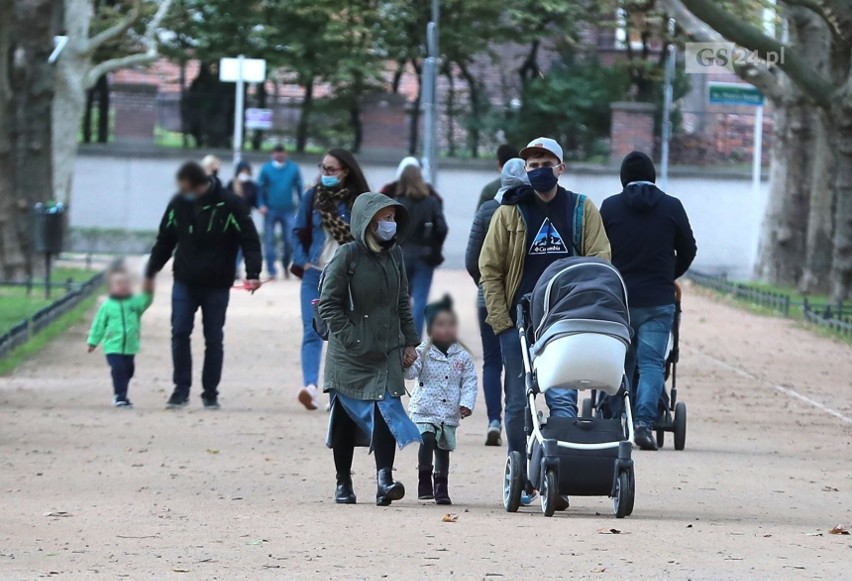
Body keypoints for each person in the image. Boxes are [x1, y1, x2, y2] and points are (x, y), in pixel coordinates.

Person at [479, 137, 611, 462]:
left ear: (561, 168)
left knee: (563, 397)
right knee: (518, 401)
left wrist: (585, 307)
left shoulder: (581, 209)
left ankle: (560, 469)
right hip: (519, 324)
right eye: (533, 166)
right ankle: (521, 470)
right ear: (525, 170)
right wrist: (502, 322)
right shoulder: (509, 212)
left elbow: (600, 260)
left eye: (546, 164)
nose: (540, 171)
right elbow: (489, 267)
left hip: (564, 322)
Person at [317, 192, 421, 507]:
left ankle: (384, 479)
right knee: (345, 420)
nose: (390, 225)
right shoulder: (347, 256)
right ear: (367, 222)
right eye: (384, 219)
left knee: (388, 411)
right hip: (349, 354)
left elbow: (403, 300)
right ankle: (343, 482)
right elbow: (328, 304)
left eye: (392, 218)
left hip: (386, 349)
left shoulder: (395, 256)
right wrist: (351, 338)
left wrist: (410, 340)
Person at [600, 151, 697, 450]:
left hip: (620, 300)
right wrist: (669, 274)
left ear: (623, 178)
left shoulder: (610, 207)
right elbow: (689, 249)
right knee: (653, 363)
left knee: (621, 361)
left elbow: (599, 251)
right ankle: (643, 423)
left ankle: (618, 418)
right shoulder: (672, 207)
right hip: (658, 298)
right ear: (653, 175)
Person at [145, 161, 262, 409]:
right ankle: (181, 388)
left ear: (202, 184)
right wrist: (151, 269)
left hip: (217, 282)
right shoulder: (178, 203)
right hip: (185, 280)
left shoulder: (230, 204)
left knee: (213, 338)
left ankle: (210, 392)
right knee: (179, 332)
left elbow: (249, 239)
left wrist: (253, 272)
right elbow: (165, 240)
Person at [291, 148, 370, 410]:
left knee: (343, 334)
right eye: (322, 168)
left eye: (330, 169)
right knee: (311, 329)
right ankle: (310, 387)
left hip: (347, 275)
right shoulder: (312, 197)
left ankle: (339, 391)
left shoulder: (360, 201)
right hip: (315, 272)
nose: (324, 174)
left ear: (345, 171)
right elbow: (297, 230)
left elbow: (369, 238)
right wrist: (302, 259)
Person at [465, 157, 529, 446]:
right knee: (519, 362)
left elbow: (471, 259)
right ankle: (522, 418)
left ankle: (494, 420)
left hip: (487, 299)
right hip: (522, 300)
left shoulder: (487, 210)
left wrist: (485, 285)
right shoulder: (530, 211)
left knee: (492, 361)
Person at [405, 295, 477, 505]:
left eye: (451, 324)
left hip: (448, 412)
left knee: (444, 449)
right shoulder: (422, 352)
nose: (447, 329)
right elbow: (411, 374)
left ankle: (441, 485)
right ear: (430, 329)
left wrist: (467, 403)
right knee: (427, 439)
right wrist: (408, 363)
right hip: (425, 409)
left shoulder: (462, 356)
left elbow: (470, 381)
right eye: (441, 325)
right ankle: (424, 478)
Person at [87, 268, 153, 408]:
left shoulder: (134, 303)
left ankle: (122, 394)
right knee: (118, 369)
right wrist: (93, 341)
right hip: (113, 345)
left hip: (130, 345)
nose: (123, 286)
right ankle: (120, 396)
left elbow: (146, 301)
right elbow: (99, 324)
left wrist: (149, 289)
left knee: (129, 370)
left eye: (126, 283)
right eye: (119, 283)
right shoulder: (108, 305)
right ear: (111, 287)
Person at [395, 164, 448, 337]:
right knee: (421, 299)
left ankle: (399, 335)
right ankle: (414, 339)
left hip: (401, 254)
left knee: (401, 299)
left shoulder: (398, 203)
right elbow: (442, 228)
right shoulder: (431, 203)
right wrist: (434, 244)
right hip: (424, 256)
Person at [257, 145, 304, 278]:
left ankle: (285, 265)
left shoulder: (293, 169)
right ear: (273, 154)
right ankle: (271, 270)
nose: (279, 155)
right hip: (270, 209)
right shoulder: (266, 169)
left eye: (282, 153)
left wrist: (303, 205)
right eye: (277, 153)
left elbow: (299, 187)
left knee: (290, 240)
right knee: (269, 240)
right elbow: (260, 188)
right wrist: (261, 204)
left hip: (288, 209)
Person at [227, 160, 259, 275]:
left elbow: (255, 201)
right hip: (232, 219)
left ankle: (236, 267)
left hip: (246, 218)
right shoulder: (231, 184)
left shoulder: (252, 186)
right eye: (242, 171)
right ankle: (232, 267)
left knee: (242, 245)